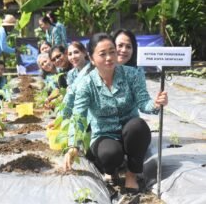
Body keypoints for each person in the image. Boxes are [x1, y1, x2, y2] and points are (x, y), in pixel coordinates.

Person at [64, 33, 168, 193]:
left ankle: (132, 174)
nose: (109, 57)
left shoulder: (132, 74)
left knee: (138, 126)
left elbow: (143, 103)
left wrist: (156, 103)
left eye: (112, 52)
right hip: (104, 133)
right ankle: (111, 170)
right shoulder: (86, 84)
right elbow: (79, 115)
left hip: (129, 131)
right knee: (110, 154)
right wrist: (73, 145)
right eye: (102, 54)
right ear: (91, 58)